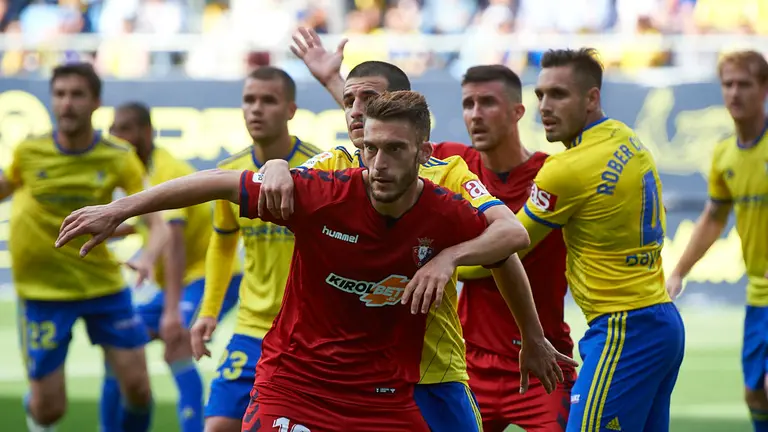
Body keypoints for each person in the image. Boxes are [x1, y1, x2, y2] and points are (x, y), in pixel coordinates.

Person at [54, 90, 572, 431]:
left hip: (383, 396)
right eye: (371, 148)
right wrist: (118, 208)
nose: (380, 164)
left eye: (396, 150)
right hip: (296, 384)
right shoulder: (322, 192)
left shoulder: (446, 212)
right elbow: (214, 181)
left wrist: (523, 328)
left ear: (423, 152)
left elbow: (508, 244)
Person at [257, 30, 573, 432]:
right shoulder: (334, 165)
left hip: (432, 369)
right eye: (349, 100)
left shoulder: (445, 169)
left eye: (367, 100)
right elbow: (367, 127)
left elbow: (508, 239)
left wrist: (448, 258)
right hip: (351, 373)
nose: (356, 110)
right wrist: (278, 164)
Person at [516, 48, 686, 431]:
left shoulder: (564, 168)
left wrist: (445, 259)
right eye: (540, 94)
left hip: (623, 330)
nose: (545, 105)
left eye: (558, 94)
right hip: (660, 321)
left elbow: (508, 245)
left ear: (591, 98)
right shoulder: (624, 136)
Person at [0, 63, 166, 432]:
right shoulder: (28, 152)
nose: (67, 103)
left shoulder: (118, 155)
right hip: (42, 291)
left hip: (103, 287)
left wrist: (148, 257)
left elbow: (157, 225)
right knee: (49, 410)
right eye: (60, 94)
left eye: (77, 95)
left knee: (139, 389)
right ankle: (37, 405)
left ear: (95, 102)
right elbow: (5, 189)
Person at [430, 65, 575, 432]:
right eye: (468, 103)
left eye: (487, 102)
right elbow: (384, 139)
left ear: (517, 112)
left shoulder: (554, 174)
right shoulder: (454, 167)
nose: (475, 113)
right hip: (468, 362)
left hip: (543, 354)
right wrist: (336, 82)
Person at [189, 66, 325, 432]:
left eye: (269, 100)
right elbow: (222, 242)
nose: (256, 109)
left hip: (308, 333)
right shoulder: (230, 173)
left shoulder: (320, 169)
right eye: (249, 100)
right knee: (218, 425)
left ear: (291, 110)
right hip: (251, 326)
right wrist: (209, 311)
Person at [102, 102, 244, 432]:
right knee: (122, 344)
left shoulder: (167, 169)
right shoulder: (136, 171)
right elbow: (150, 225)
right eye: (113, 128)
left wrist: (169, 312)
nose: (116, 136)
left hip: (206, 276)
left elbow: (175, 240)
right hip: (178, 280)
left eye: (124, 128)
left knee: (176, 344)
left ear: (147, 132)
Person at [666, 50, 768, 432]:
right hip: (758, 294)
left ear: (764, 89)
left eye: (745, 84)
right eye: (728, 84)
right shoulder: (724, 154)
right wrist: (678, 271)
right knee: (754, 393)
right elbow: (713, 217)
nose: (735, 92)